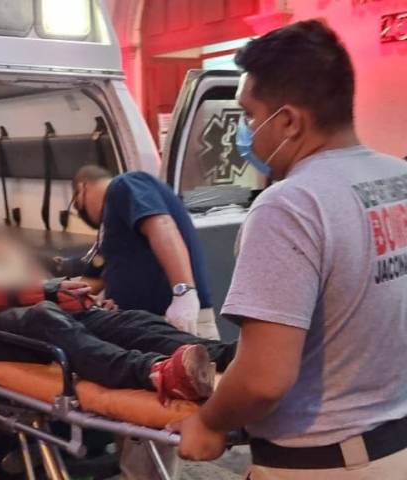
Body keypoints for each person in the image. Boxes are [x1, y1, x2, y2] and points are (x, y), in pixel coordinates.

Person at [174, 20, 407, 479]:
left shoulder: (290, 205)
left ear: (288, 121)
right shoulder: (397, 178)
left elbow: (263, 380)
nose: (245, 131)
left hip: (324, 463)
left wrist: (208, 421)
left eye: (248, 115)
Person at [0, 201, 237, 401]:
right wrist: (48, 292)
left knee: (131, 320)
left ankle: (224, 355)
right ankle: (155, 373)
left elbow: (33, 283)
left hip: (38, 315)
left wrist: (80, 298)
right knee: (45, 316)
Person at [72, 166, 220, 340]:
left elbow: (161, 225)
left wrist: (183, 291)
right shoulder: (110, 230)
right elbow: (91, 282)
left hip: (174, 321)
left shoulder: (125, 184)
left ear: (82, 189)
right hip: (146, 327)